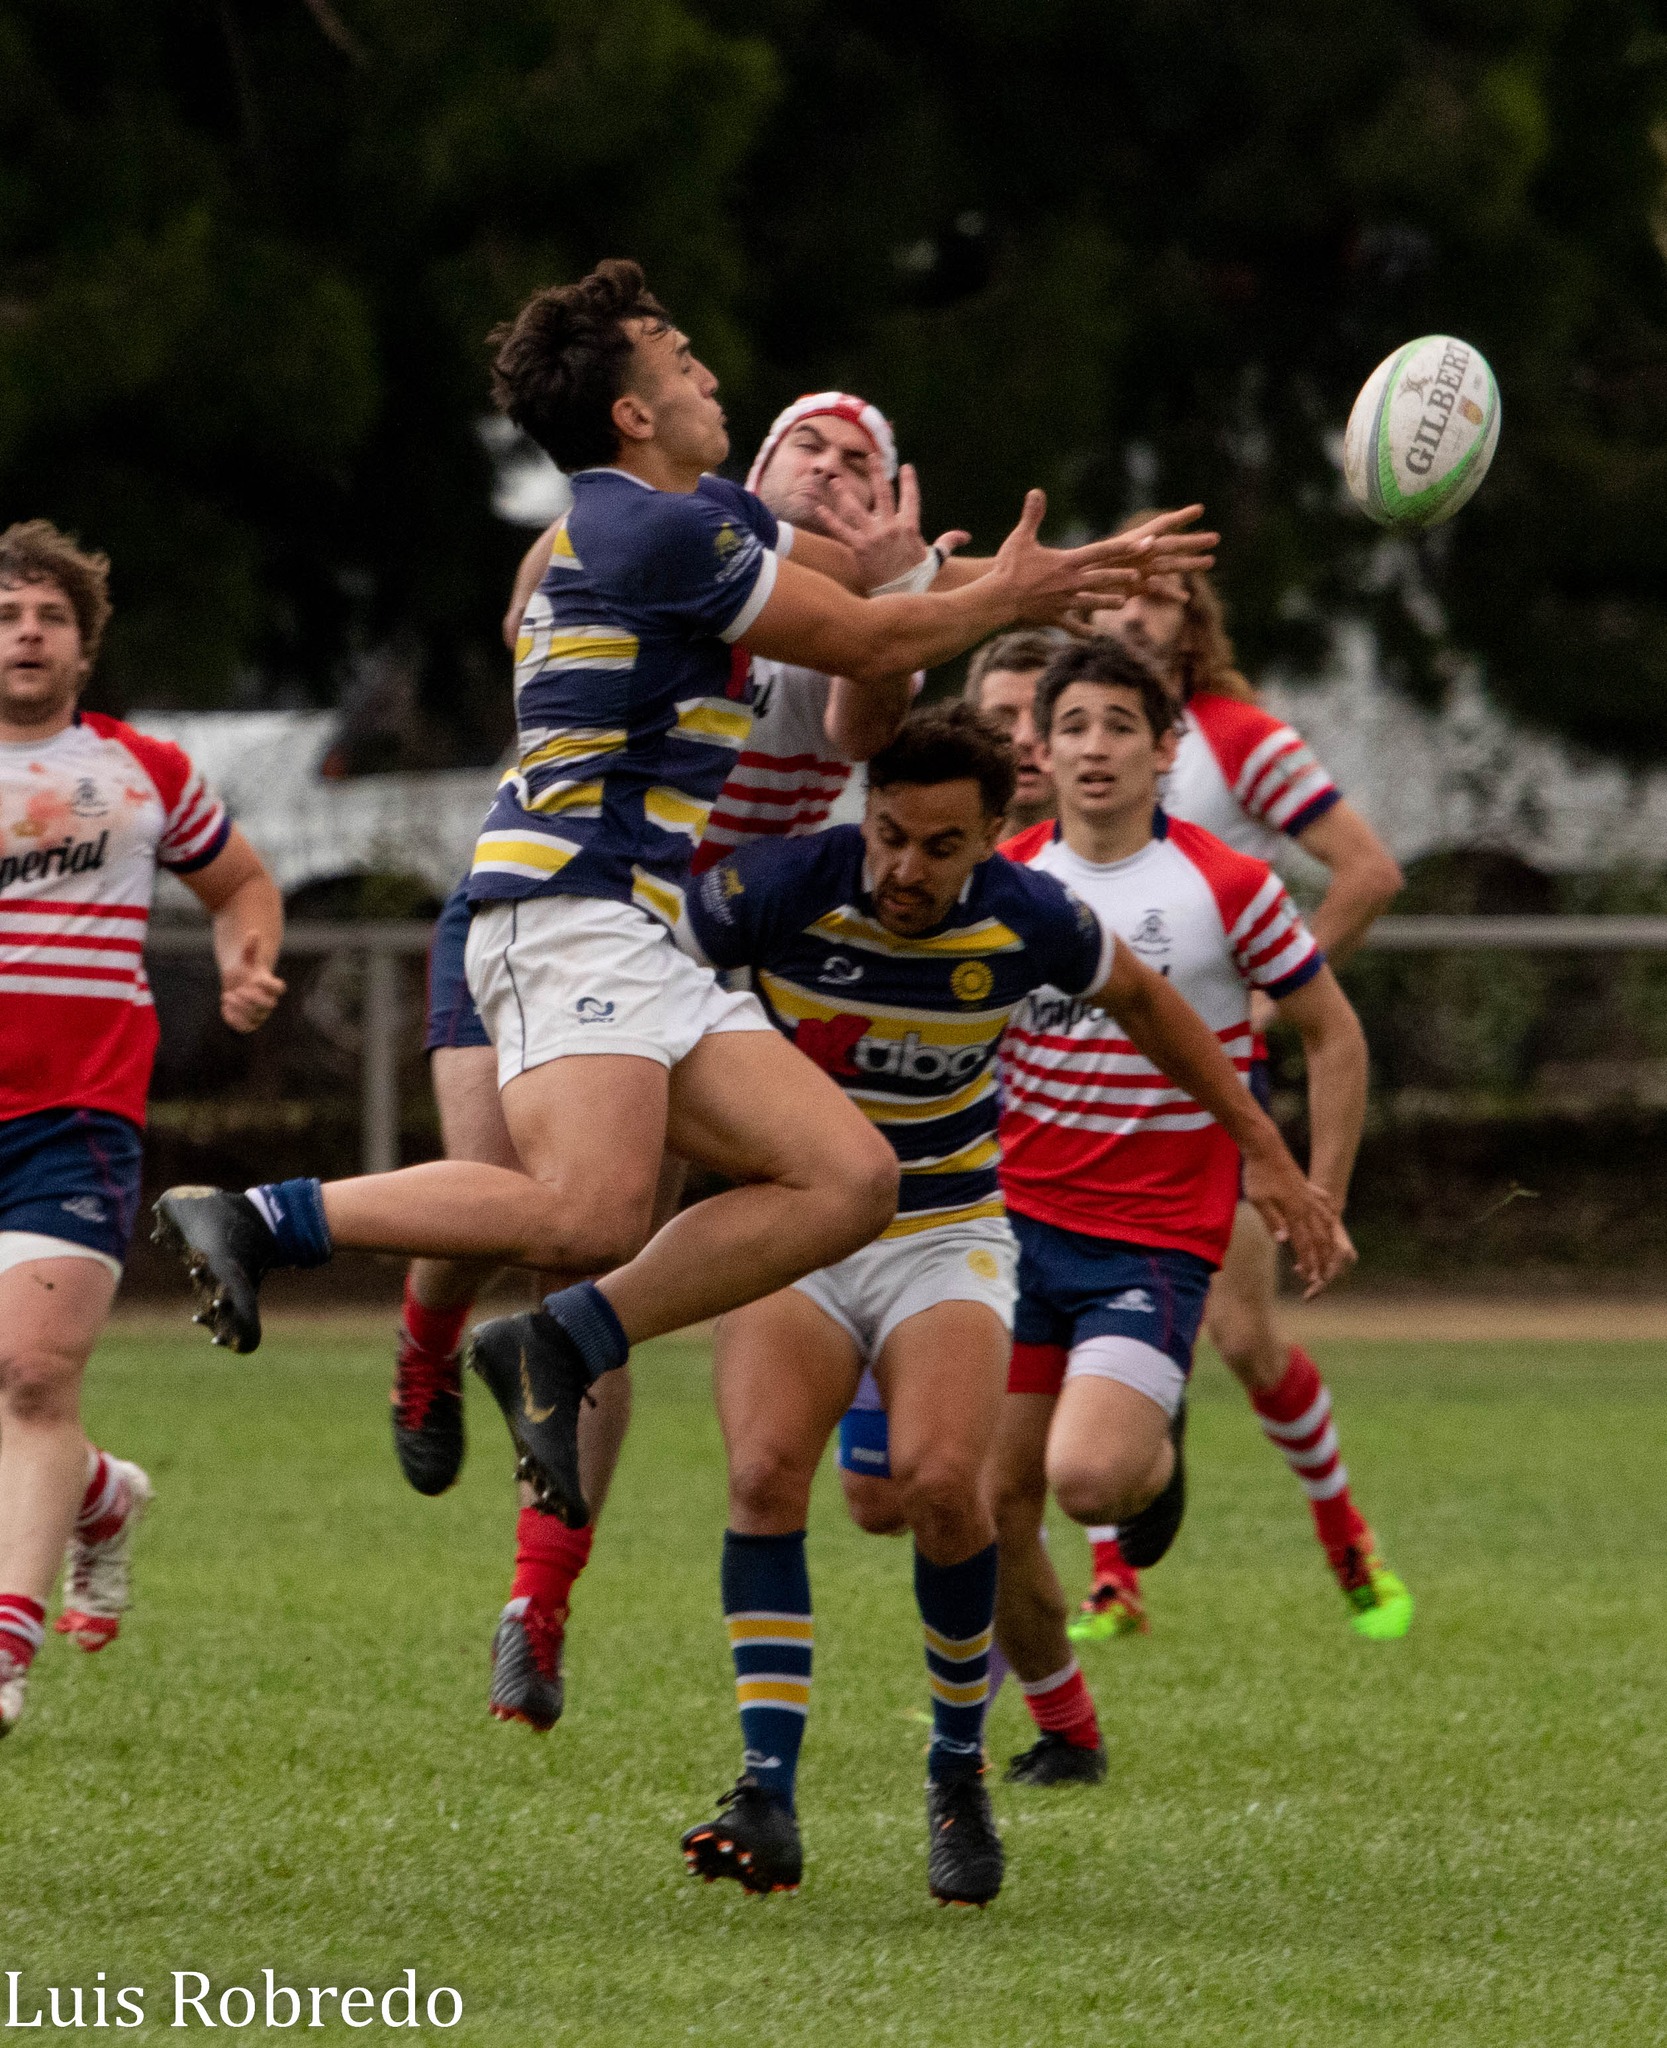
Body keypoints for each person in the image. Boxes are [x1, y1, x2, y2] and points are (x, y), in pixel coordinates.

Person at [153, 257, 1223, 1535]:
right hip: (566, 903)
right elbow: (873, 639)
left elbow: (879, 580)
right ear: (630, 413)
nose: (709, 372)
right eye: (680, 360)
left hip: (643, 924)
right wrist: (1012, 593)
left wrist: (1049, 566)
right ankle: (259, 1217)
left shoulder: (698, 511)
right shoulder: (649, 529)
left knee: (848, 1179)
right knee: (587, 1208)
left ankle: (559, 1339)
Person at [673, 701, 1349, 1900]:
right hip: (798, 1228)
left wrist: (1263, 1150)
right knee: (764, 1473)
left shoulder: (1030, 914)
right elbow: (637, 996)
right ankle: (764, 1789)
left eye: (939, 846)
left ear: (991, 835)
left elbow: (1152, 1006)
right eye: (887, 834)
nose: (903, 868)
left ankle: (953, 1771)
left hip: (943, 1233)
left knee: (946, 1485)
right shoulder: (772, 890)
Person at [390, 388, 941, 1731]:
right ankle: (423, 1337)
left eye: (857, 459)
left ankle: (537, 1604)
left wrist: (895, 579)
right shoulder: (663, 541)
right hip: (543, 897)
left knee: (593, 1253)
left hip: (685, 955)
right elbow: (532, 595)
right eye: (803, 448)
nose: (828, 469)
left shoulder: (829, 629)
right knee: (492, 1189)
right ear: (750, 470)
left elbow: (872, 713)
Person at [989, 637, 1367, 1783]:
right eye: (1071, 728)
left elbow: (1333, 1034)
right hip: (1005, 1236)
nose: (1093, 748)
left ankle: (1153, 1454)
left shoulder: (1226, 885)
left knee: (1087, 1479)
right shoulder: (1000, 881)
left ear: (1165, 750)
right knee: (977, 1501)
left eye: (1117, 726)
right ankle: (1063, 1725)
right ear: (1039, 752)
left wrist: (1320, 1197)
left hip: (1149, 1237)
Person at [1073, 537, 1411, 1645]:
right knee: (1068, 1314)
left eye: (1158, 593)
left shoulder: (1234, 738)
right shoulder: (1063, 732)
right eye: (1117, 588)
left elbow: (1365, 870)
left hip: (1206, 1097)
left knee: (1243, 1337)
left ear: (1189, 622)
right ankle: (1112, 1576)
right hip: (1072, 1087)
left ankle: (1345, 1534)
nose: (1134, 609)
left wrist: (1268, 1003)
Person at [0, 520, 284, 1736]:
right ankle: (101, 1497)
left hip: (75, 1120)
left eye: (48, 615)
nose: (26, 632)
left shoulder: (144, 771)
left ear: (83, 642)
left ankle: (3, 1650)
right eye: (8, 612)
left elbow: (244, 885)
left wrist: (247, 963)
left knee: (28, 1376)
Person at [835, 626, 1061, 1539]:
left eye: (1039, 719)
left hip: (1037, 1208)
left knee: (1000, 1478)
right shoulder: (921, 859)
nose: (1024, 738)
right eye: (1001, 717)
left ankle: (1028, 1670)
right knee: (881, 1498)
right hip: (918, 1203)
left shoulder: (1065, 894)